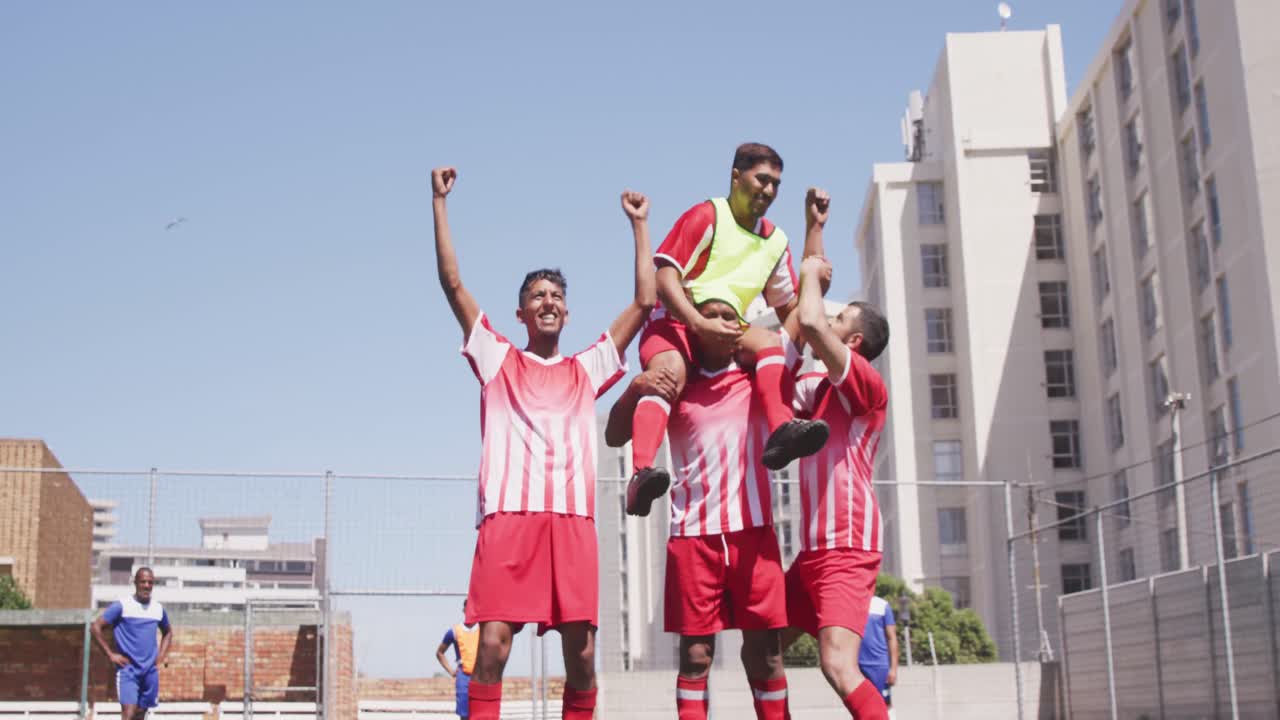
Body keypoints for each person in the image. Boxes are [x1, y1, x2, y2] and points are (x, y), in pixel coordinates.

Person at [431, 166, 654, 720]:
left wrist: (639, 226)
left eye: (556, 294)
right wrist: (440, 202)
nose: (548, 301)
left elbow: (645, 302)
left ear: (567, 310)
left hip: (571, 522)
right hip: (510, 518)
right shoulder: (498, 359)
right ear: (522, 312)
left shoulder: (588, 368)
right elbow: (453, 285)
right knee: (493, 648)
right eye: (537, 295)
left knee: (581, 655)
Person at [603, 186, 834, 720]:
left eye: (733, 316)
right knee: (696, 654)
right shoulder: (672, 381)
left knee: (767, 654)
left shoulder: (758, 377)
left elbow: (803, 310)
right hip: (693, 535)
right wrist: (636, 388)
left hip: (753, 532)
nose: (726, 323)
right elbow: (615, 433)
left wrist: (812, 228)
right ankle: (642, 476)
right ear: (695, 325)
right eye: (713, 314)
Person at [625, 143, 831, 517]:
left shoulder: (776, 242)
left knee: (770, 341)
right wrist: (697, 322)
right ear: (736, 176)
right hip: (677, 319)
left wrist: (814, 229)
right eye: (762, 180)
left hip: (727, 327)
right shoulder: (707, 216)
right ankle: (641, 473)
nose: (768, 191)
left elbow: (795, 307)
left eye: (776, 185)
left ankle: (781, 430)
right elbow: (666, 279)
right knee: (666, 375)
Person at [783, 254, 892, 720]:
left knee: (837, 663)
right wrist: (813, 228)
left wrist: (809, 273)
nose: (830, 315)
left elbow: (809, 319)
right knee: (763, 648)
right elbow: (783, 375)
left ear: (854, 340)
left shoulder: (866, 384)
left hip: (846, 543)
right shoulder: (821, 388)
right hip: (813, 551)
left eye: (840, 317)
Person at [91, 567, 173, 720]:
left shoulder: (158, 609)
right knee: (128, 713)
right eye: (143, 582)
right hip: (128, 670)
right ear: (135, 583)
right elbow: (95, 627)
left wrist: (161, 656)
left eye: (150, 582)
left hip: (149, 671)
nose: (147, 585)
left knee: (141, 714)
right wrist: (110, 655)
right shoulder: (122, 606)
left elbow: (168, 632)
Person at [437, 602, 480, 720]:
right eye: (469, 608)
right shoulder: (454, 631)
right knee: (464, 714)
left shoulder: (484, 629)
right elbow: (440, 653)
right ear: (464, 610)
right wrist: (451, 671)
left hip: (481, 675)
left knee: (481, 712)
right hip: (463, 675)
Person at [858, 596, 899, 711]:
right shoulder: (850, 604)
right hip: (856, 666)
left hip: (879, 666)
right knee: (860, 706)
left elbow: (892, 638)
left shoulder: (882, 605)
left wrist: (893, 669)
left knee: (884, 705)